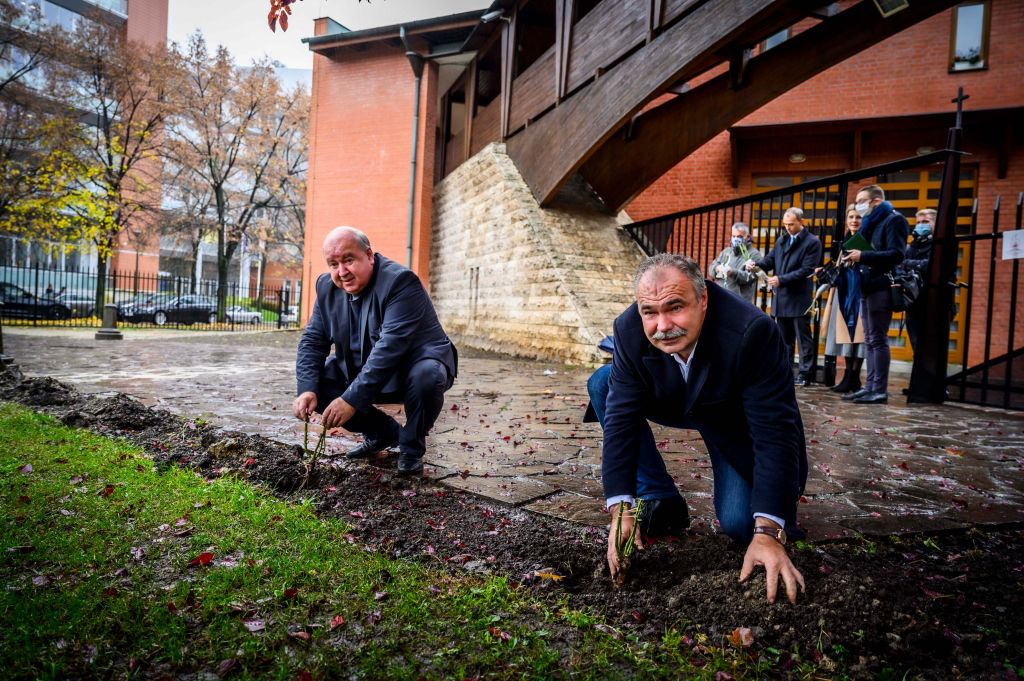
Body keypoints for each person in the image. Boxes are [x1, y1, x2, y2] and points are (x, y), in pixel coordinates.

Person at [586, 254, 808, 604]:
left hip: (735, 420)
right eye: (650, 312)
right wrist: (620, 509)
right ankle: (659, 497)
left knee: (741, 525)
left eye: (675, 307)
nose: (662, 325)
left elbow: (775, 434)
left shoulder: (753, 331)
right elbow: (620, 420)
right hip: (677, 397)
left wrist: (768, 532)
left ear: (703, 298)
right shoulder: (628, 329)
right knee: (603, 383)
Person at [293, 226, 458, 474]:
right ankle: (383, 432)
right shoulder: (326, 287)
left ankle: (412, 446)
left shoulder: (401, 282)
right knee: (319, 380)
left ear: (369, 255)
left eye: (349, 260)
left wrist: (350, 399)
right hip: (364, 369)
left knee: (428, 375)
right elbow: (313, 340)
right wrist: (306, 389)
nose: (342, 272)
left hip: (411, 367)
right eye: (333, 264)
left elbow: (390, 348)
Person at [842, 185, 908, 404]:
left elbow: (897, 254)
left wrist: (863, 256)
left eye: (862, 201)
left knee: (878, 339)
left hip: (881, 286)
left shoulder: (894, 220)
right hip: (866, 285)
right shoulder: (871, 222)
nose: (858, 205)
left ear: (876, 201)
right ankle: (869, 386)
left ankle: (879, 389)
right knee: (869, 339)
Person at [745, 207, 823, 386]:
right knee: (784, 339)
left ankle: (805, 374)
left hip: (799, 298)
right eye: (785, 224)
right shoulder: (782, 240)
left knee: (803, 339)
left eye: (791, 224)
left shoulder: (812, 242)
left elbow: (807, 270)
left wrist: (782, 279)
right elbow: (769, 261)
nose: (787, 227)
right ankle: (785, 371)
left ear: (801, 222)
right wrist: (755, 264)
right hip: (781, 298)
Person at [822, 205, 866, 394]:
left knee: (859, 337)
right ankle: (848, 376)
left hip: (861, 293)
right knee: (846, 336)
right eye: (851, 217)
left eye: (858, 217)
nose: (854, 220)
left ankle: (854, 377)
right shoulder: (845, 241)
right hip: (844, 292)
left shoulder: (867, 240)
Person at [902, 209, 935, 354]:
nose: (921, 225)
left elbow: (931, 265)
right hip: (913, 303)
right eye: (919, 222)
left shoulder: (940, 244)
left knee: (932, 349)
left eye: (926, 222)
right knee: (917, 347)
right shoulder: (911, 247)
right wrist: (916, 264)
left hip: (934, 303)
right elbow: (900, 265)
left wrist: (908, 264)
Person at [708, 222, 762, 303]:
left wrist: (732, 272)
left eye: (739, 236)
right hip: (720, 298)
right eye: (733, 236)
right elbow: (711, 269)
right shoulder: (726, 251)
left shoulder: (754, 254)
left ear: (747, 237)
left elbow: (751, 277)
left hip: (739, 302)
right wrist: (716, 268)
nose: (736, 239)